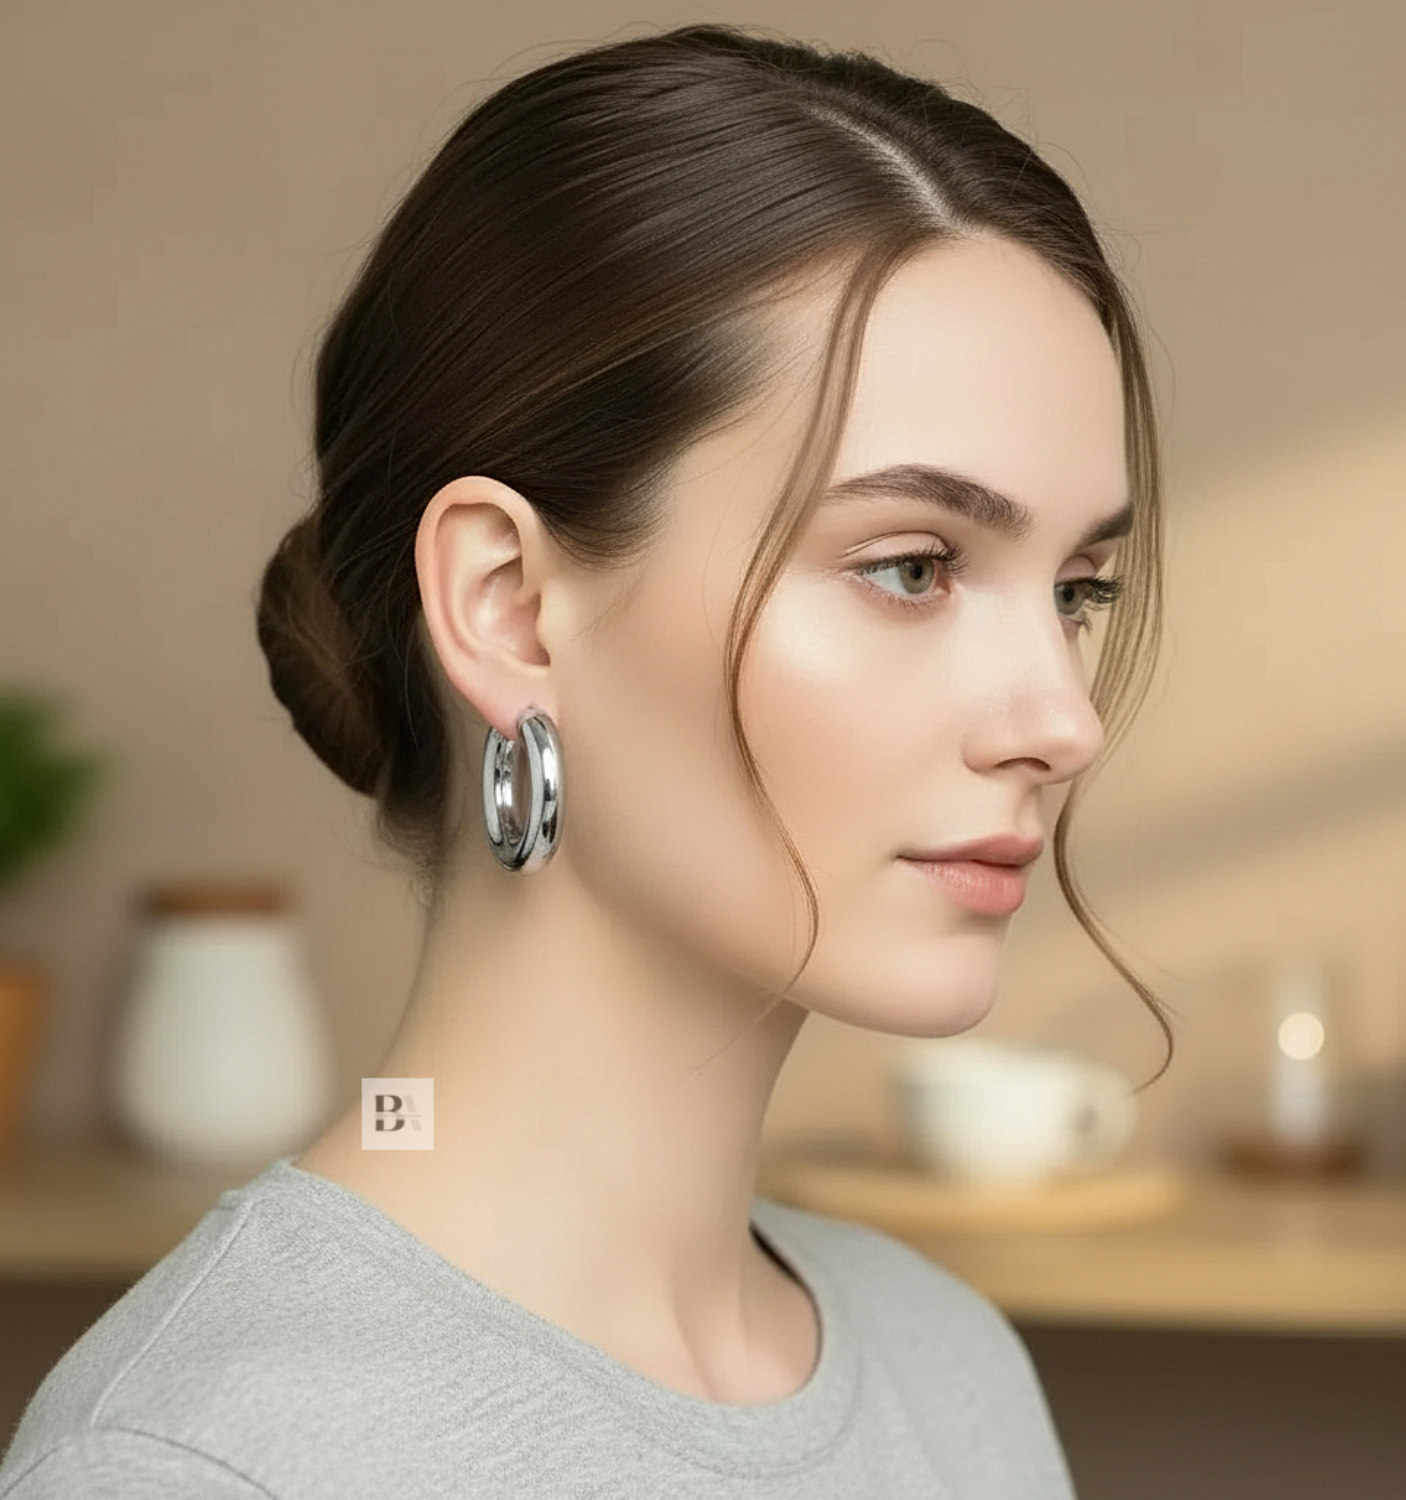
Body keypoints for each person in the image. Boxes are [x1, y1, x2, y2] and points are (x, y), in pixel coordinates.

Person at [0, 23, 1167, 1498]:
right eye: (913, 566)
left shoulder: (949, 1363)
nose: (1063, 720)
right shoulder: (204, 1464)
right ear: (508, 607)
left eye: (1077, 591)